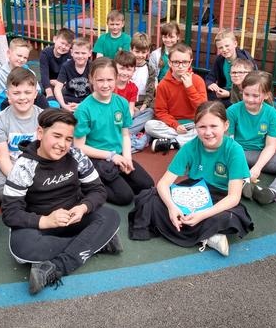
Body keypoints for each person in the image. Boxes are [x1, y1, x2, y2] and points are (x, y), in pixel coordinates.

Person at [2, 108, 122, 295]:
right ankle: (96, 243)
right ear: (40, 133)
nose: (62, 144)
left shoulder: (77, 156)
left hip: (74, 219)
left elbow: (98, 190)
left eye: (68, 139)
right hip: (41, 226)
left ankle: (57, 267)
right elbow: (10, 213)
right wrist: (46, 221)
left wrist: (82, 208)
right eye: (57, 136)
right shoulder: (24, 166)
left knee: (110, 216)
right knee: (22, 248)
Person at [128, 101, 254, 256]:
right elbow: (163, 184)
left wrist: (203, 214)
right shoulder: (189, 147)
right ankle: (208, 234)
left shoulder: (234, 150)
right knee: (148, 199)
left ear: (225, 125)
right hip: (193, 190)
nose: (208, 132)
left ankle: (203, 231)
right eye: (202, 127)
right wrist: (172, 208)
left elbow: (233, 197)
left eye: (213, 126)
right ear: (195, 127)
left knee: (232, 217)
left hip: (219, 196)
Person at [74, 57, 155, 206]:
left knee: (147, 185)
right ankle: (85, 184)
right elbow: (79, 147)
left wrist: (127, 158)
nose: (105, 85)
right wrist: (111, 156)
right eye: (100, 80)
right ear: (91, 79)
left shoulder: (121, 103)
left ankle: (114, 177)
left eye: (109, 80)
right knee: (125, 197)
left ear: (116, 78)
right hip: (96, 158)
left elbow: (125, 135)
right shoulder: (84, 109)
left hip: (118, 155)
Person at [226, 71, 276, 205]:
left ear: (266, 95)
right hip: (237, 152)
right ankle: (243, 182)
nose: (250, 99)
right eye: (246, 94)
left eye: (255, 95)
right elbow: (229, 143)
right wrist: (242, 167)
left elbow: (270, 146)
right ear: (242, 91)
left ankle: (271, 192)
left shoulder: (272, 113)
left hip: (259, 155)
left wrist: (257, 168)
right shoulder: (233, 110)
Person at [0, 68, 43, 201]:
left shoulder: (43, 117)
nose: (22, 97)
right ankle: (35, 197)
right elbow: (3, 158)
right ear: (8, 95)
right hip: (10, 165)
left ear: (35, 94)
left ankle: (23, 197)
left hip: (38, 165)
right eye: (16, 93)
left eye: (27, 92)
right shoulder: (0, 119)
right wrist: (19, 181)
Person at [145, 43, 207, 152]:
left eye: (185, 62)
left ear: (190, 62)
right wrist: (176, 125)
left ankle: (172, 142)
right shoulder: (163, 84)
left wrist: (190, 88)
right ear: (170, 63)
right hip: (172, 125)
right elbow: (161, 112)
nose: (180, 66)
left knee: (204, 129)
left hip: (193, 124)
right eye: (176, 62)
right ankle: (183, 141)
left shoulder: (198, 80)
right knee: (149, 126)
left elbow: (203, 109)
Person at [115, 49, 153, 153]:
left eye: (129, 70)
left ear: (133, 71)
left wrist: (126, 120)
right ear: (115, 68)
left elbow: (131, 109)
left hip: (125, 119)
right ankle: (134, 140)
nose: (125, 73)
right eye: (122, 68)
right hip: (111, 119)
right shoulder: (110, 84)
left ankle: (126, 136)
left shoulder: (133, 87)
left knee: (149, 112)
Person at [0, 38, 48, 109]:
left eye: (25, 58)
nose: (22, 59)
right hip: (11, 103)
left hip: (29, 101)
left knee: (41, 98)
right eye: (19, 56)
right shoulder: (1, 74)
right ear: (9, 53)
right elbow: (1, 97)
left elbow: (37, 91)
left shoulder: (30, 72)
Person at [205, 30, 256, 106]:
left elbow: (252, 87)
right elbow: (210, 77)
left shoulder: (245, 61)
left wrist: (229, 93)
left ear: (235, 44)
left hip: (241, 96)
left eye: (227, 46)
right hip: (224, 91)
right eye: (220, 47)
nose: (224, 49)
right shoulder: (220, 59)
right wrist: (210, 84)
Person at [54, 36, 92, 112]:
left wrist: (82, 105)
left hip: (87, 100)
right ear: (71, 52)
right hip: (69, 100)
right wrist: (63, 105)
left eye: (83, 53)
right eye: (77, 53)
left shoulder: (93, 67)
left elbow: (97, 90)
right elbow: (57, 88)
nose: (80, 56)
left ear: (89, 53)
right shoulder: (66, 66)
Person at [39, 28, 73, 102]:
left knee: (68, 91)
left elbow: (71, 75)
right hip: (49, 82)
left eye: (67, 45)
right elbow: (44, 74)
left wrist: (60, 83)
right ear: (55, 39)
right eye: (62, 43)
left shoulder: (70, 55)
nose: (63, 47)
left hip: (63, 83)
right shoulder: (45, 53)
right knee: (39, 89)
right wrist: (49, 93)